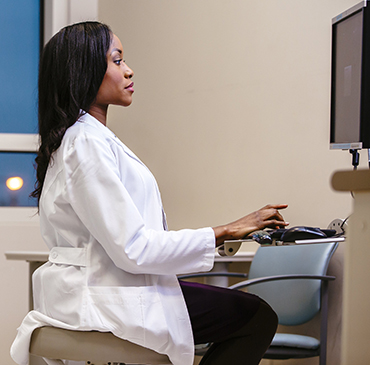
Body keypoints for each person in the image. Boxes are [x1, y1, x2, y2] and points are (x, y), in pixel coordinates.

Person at [11, 22, 288, 365]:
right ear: (83, 72)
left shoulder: (82, 140)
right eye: (116, 61)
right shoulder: (85, 144)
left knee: (247, 313)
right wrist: (224, 231)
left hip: (102, 288)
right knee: (256, 317)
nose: (128, 71)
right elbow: (134, 249)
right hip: (104, 297)